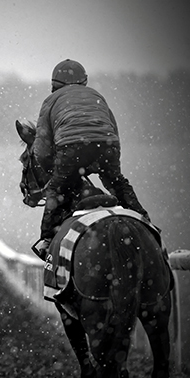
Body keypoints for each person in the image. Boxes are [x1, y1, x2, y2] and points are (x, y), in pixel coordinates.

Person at [32, 59, 150, 258]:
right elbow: (113, 131)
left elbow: (42, 148)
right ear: (84, 81)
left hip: (71, 148)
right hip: (106, 146)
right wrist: (111, 168)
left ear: (54, 84)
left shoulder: (50, 101)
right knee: (118, 184)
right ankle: (145, 221)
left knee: (55, 190)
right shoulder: (97, 96)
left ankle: (46, 241)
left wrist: (55, 174)